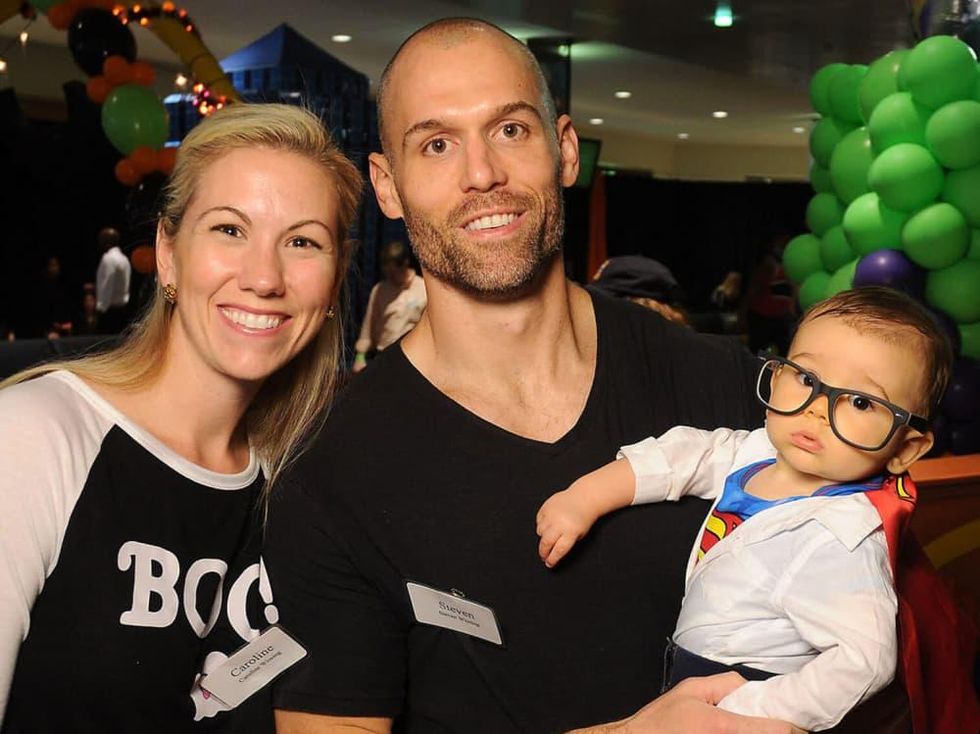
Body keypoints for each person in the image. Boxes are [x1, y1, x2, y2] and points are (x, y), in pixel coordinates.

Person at [264, 18, 805, 734]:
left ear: (566, 149)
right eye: (436, 144)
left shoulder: (727, 390)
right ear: (388, 187)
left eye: (511, 131)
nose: (482, 174)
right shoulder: (333, 467)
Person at [0, 103, 362, 732]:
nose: (264, 277)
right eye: (229, 230)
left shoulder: (301, 479)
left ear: (333, 284)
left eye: (302, 241)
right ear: (168, 252)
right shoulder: (35, 437)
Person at [537, 287, 979, 732]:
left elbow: (865, 663)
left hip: (748, 691)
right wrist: (588, 496)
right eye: (807, 378)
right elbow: (691, 454)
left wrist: (753, 705)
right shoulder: (761, 451)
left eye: (861, 402)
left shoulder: (842, 540)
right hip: (693, 669)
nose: (818, 411)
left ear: (906, 448)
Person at [353, 240, 426, 372]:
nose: (390, 277)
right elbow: (369, 327)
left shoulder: (423, 290)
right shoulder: (381, 289)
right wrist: (360, 356)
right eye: (387, 273)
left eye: (393, 273)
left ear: (405, 264)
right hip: (383, 355)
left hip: (412, 359)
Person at [95, 226, 132, 334]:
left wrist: (101, 308)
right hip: (122, 310)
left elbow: (106, 286)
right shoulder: (124, 258)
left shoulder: (108, 259)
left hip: (109, 313)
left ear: (107, 241)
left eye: (102, 239)